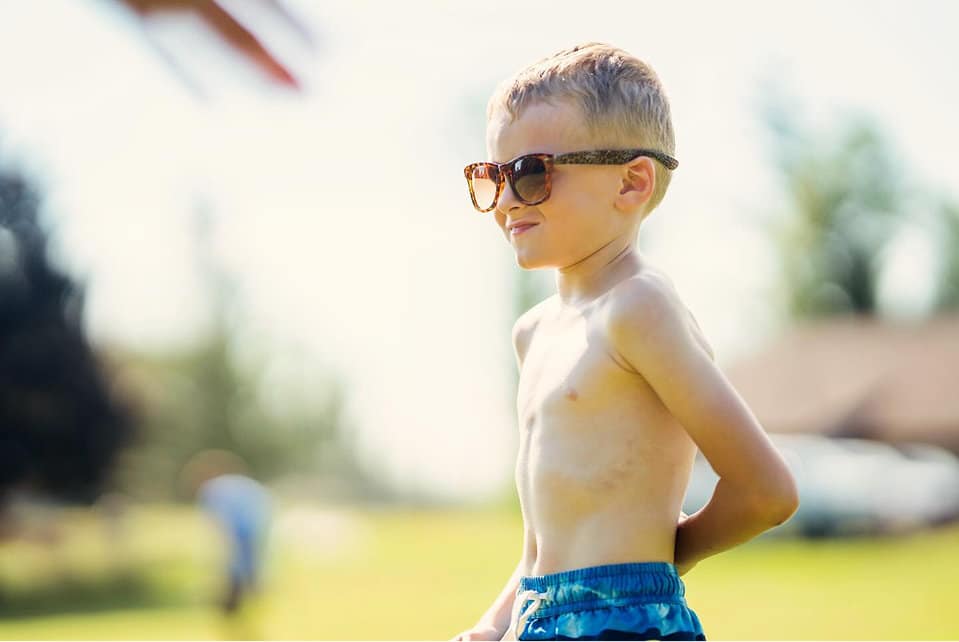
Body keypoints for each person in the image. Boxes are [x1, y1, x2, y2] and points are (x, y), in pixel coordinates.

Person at [455, 43, 799, 641]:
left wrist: (665, 556)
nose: (507, 200)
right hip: (536, 621)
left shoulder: (639, 307)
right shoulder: (532, 333)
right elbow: (547, 542)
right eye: (493, 176)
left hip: (624, 622)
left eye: (531, 173)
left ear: (632, 182)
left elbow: (765, 489)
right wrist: (491, 627)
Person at [183, 450, 272, 614]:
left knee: (235, 572)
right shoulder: (243, 484)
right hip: (258, 530)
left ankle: (234, 604)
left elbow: (222, 525)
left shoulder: (213, 489)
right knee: (250, 573)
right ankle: (249, 597)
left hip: (241, 533)